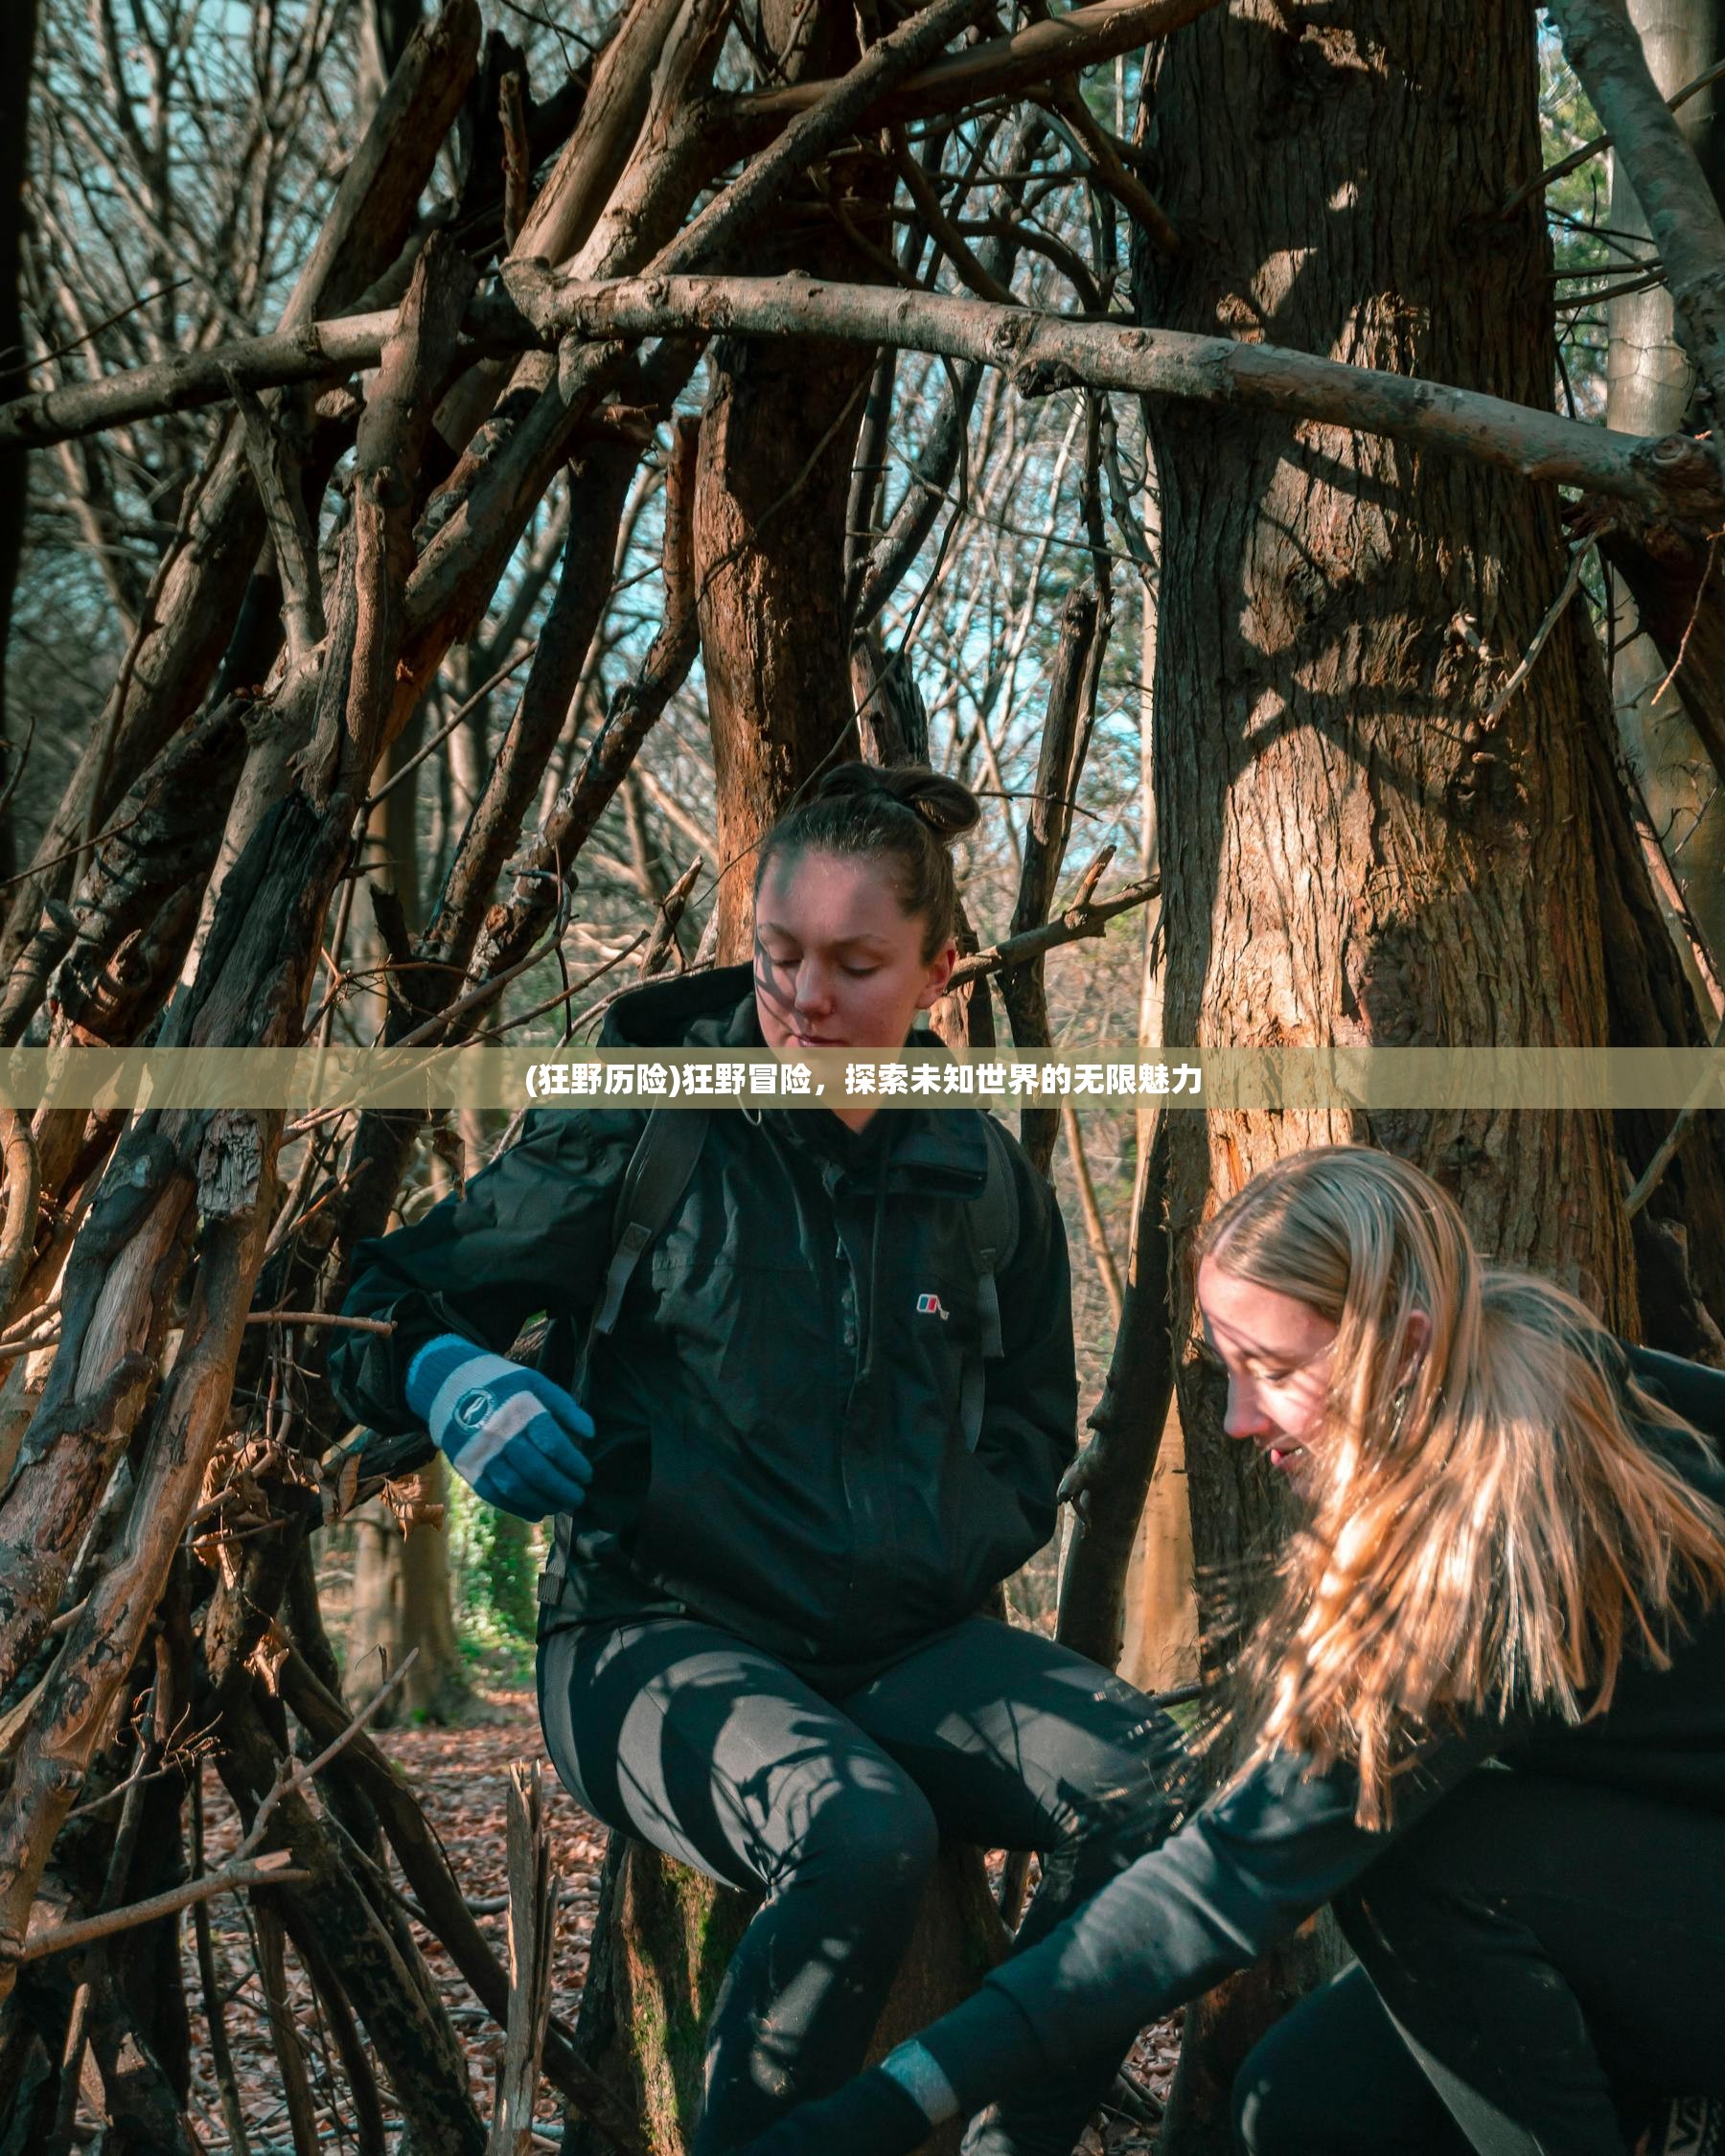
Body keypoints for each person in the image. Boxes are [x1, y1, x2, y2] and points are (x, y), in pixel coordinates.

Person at [327, 764, 1188, 2156]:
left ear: (939, 971)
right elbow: (374, 1300)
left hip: (905, 1642)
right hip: (647, 1634)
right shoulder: (644, 1120)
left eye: (857, 964)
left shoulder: (983, 1174)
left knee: (1161, 1781)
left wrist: (944, 1547)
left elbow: (1033, 1420)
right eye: (778, 954)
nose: (803, 998)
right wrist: (448, 1374)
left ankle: (1008, 2138)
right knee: (861, 1830)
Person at [730, 1145, 1725, 2156]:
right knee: (1297, 2105)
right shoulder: (1516, 1370)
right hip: (1657, 1881)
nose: (1241, 1421)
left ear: (1409, 1348)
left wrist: (879, 2112)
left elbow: (1223, 1881)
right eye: (1229, 1372)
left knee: (1404, 1832)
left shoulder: (1502, 1532)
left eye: (1278, 1373)